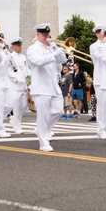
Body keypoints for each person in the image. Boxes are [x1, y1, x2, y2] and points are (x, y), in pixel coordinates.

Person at [26, 23, 68, 151]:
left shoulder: (51, 49)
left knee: (58, 111)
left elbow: (61, 64)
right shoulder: (32, 49)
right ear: (37, 35)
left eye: (48, 34)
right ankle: (44, 142)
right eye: (44, 34)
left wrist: (57, 51)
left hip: (53, 86)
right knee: (43, 115)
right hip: (41, 86)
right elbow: (38, 62)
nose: (46, 37)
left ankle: (43, 130)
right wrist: (54, 55)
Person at [5, 37, 31, 134]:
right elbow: (9, 71)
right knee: (16, 106)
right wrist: (17, 79)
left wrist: (30, 79)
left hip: (24, 86)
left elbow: (27, 70)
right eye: (18, 45)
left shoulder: (23, 57)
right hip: (15, 86)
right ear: (13, 46)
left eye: (20, 45)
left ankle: (15, 120)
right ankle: (17, 126)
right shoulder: (10, 57)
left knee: (24, 106)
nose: (20, 47)